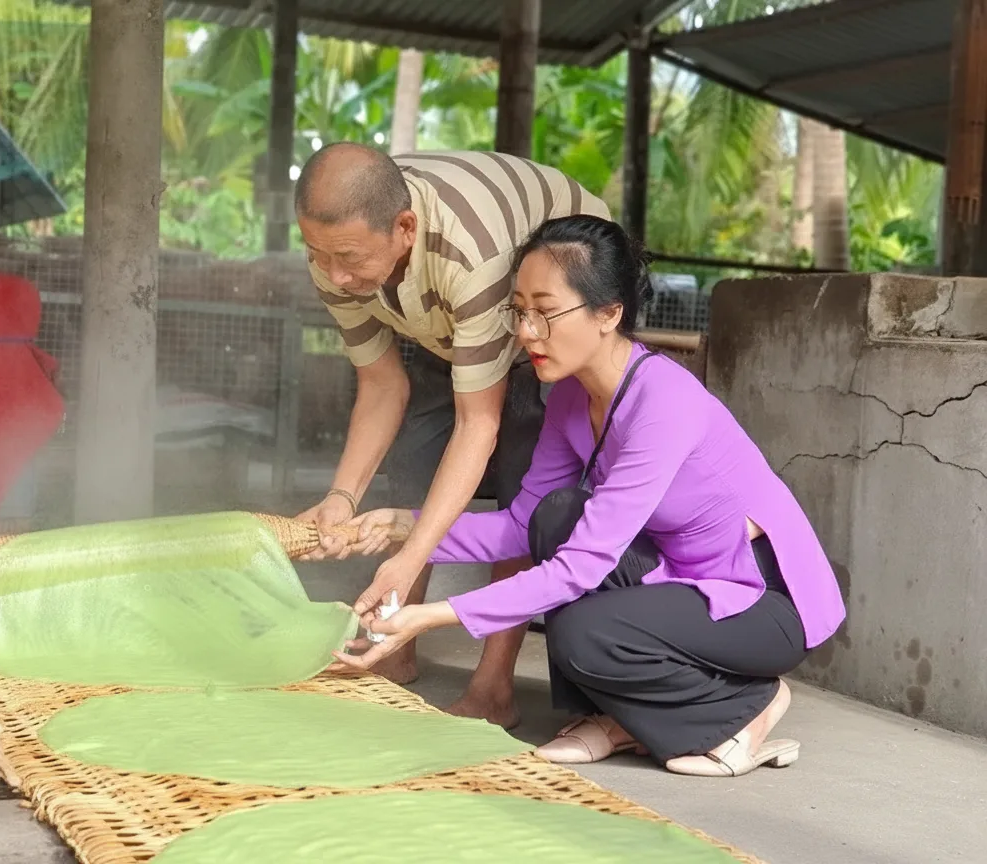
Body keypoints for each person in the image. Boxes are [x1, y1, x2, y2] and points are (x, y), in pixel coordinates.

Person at [329, 214, 846, 778]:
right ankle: (618, 717)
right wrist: (403, 526)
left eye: (545, 312)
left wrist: (429, 616)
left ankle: (748, 705)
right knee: (555, 517)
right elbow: (522, 526)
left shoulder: (664, 401)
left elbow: (582, 566)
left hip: (762, 601)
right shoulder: (570, 398)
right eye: (519, 311)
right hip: (682, 575)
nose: (527, 333)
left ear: (609, 314)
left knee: (585, 634)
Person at [293, 143, 612, 728]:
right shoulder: (339, 248)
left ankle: (493, 685)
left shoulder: (471, 258)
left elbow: (478, 423)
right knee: (414, 456)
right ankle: (394, 650)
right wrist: (341, 498)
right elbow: (382, 385)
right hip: (457, 320)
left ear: (405, 228)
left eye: (347, 258)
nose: (332, 274)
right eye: (317, 252)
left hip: (551, 306)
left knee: (524, 488)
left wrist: (411, 554)